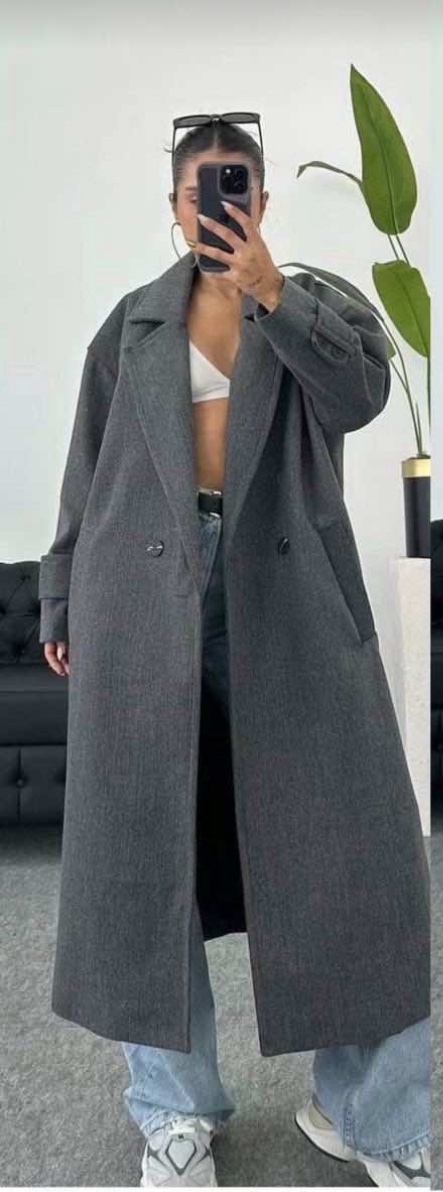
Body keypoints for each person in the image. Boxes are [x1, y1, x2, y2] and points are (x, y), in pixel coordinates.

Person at [40, 114, 430, 1188]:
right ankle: (174, 1111)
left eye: (237, 189)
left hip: (289, 601)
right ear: (173, 206)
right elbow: (88, 470)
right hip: (142, 599)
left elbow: (359, 397)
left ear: (260, 201)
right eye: (200, 192)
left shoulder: (317, 304)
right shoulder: (132, 325)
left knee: (361, 859)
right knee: (144, 856)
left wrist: (271, 292)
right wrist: (61, 595)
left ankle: (372, 1114)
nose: (219, 208)